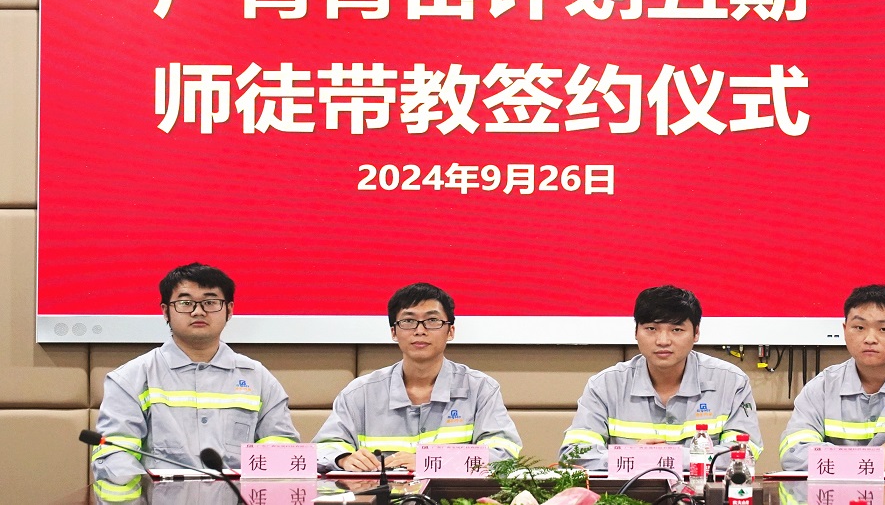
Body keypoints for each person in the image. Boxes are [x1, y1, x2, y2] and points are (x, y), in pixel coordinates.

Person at [91, 263, 299, 485]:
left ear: (229, 310)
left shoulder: (258, 379)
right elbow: (115, 454)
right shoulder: (131, 379)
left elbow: (282, 447)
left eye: (210, 302)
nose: (198, 311)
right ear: (165, 311)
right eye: (185, 303)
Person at [313, 283, 522, 472]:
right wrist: (343, 458)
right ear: (394, 332)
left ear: (450, 331)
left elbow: (503, 453)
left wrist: (431, 461)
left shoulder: (481, 389)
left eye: (432, 321)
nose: (420, 330)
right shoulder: (360, 393)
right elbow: (322, 449)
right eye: (408, 321)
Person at [558, 285, 762, 470]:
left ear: (696, 333)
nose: (663, 341)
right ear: (636, 332)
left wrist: (664, 458)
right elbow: (573, 455)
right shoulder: (605, 386)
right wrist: (630, 457)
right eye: (651, 329)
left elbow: (744, 453)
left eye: (676, 330)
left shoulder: (731, 382)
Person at [779, 284, 885, 472]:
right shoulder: (821, 387)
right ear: (845, 329)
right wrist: (874, 460)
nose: (870, 338)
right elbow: (793, 454)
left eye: (884, 329)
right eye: (859, 327)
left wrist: (838, 460)